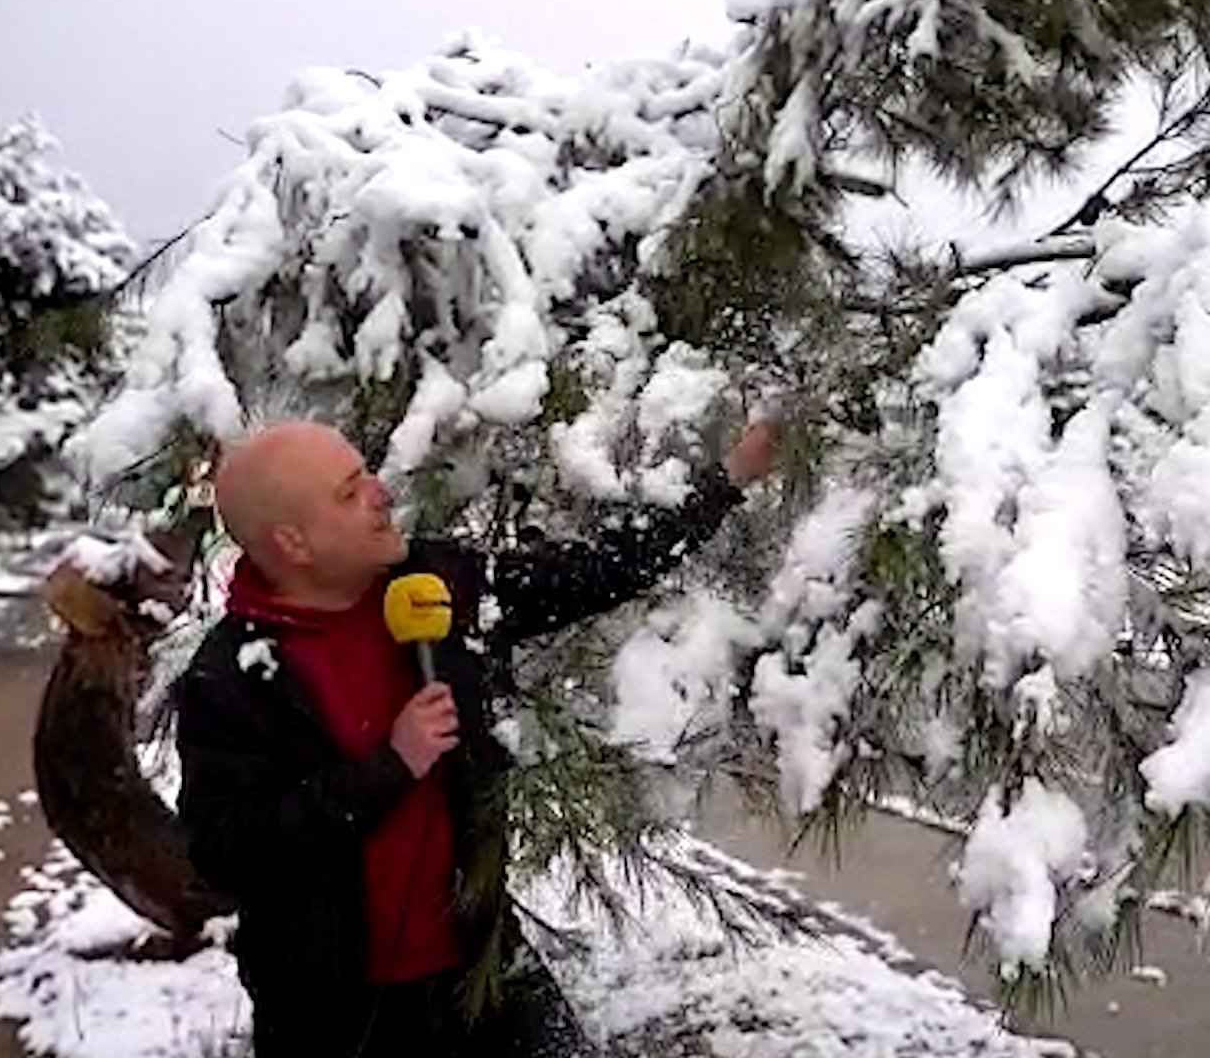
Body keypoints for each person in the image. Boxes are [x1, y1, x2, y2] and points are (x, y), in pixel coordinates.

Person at [174, 419, 776, 1057]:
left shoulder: (437, 586)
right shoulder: (234, 678)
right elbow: (227, 851)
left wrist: (730, 477)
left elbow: (599, 570)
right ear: (293, 542)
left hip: (483, 967)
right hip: (339, 1013)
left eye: (367, 475)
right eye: (349, 493)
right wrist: (388, 767)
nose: (381, 494)